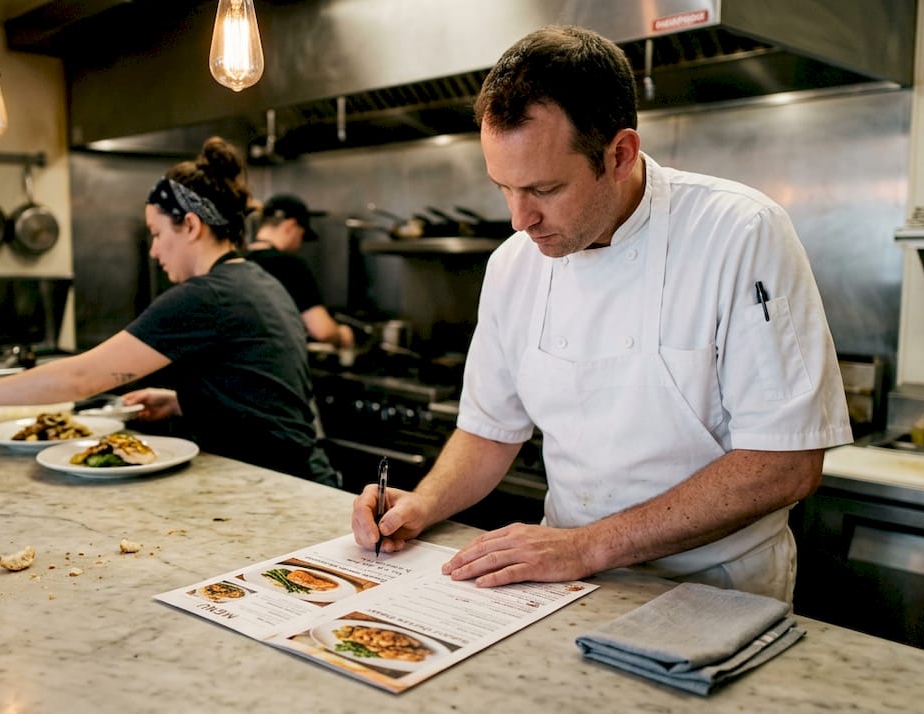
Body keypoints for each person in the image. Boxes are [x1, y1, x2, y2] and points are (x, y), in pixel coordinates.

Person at [351, 25, 852, 601]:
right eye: (503, 188)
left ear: (620, 155)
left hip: (715, 593)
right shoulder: (514, 263)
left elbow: (785, 464)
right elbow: (489, 431)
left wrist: (589, 544)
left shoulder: (739, 232)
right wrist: (423, 502)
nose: (520, 219)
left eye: (544, 189)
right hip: (562, 586)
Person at [0, 137, 338, 486]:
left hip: (274, 487)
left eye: (157, 234)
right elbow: (266, 395)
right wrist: (182, 402)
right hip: (302, 479)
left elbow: (80, 376)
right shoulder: (259, 282)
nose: (154, 250)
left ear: (191, 226)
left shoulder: (205, 296)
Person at [247, 194, 355, 351]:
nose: (300, 244)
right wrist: (341, 335)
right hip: (277, 365)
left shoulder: (239, 260)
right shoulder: (290, 266)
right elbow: (322, 331)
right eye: (302, 235)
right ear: (290, 226)